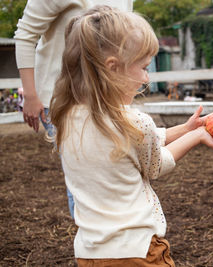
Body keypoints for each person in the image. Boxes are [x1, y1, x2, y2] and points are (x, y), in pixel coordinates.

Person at [49, 6, 213, 265]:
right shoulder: (135, 121)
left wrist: (186, 128)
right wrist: (198, 136)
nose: (147, 77)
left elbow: (141, 140)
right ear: (112, 68)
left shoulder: (66, 119)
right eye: (144, 67)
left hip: (90, 253)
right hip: (138, 253)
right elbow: (156, 164)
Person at [14, 0, 134, 218]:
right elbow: (25, 35)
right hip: (62, 97)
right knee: (84, 179)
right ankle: (91, 247)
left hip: (107, 96)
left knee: (112, 173)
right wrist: (31, 95)